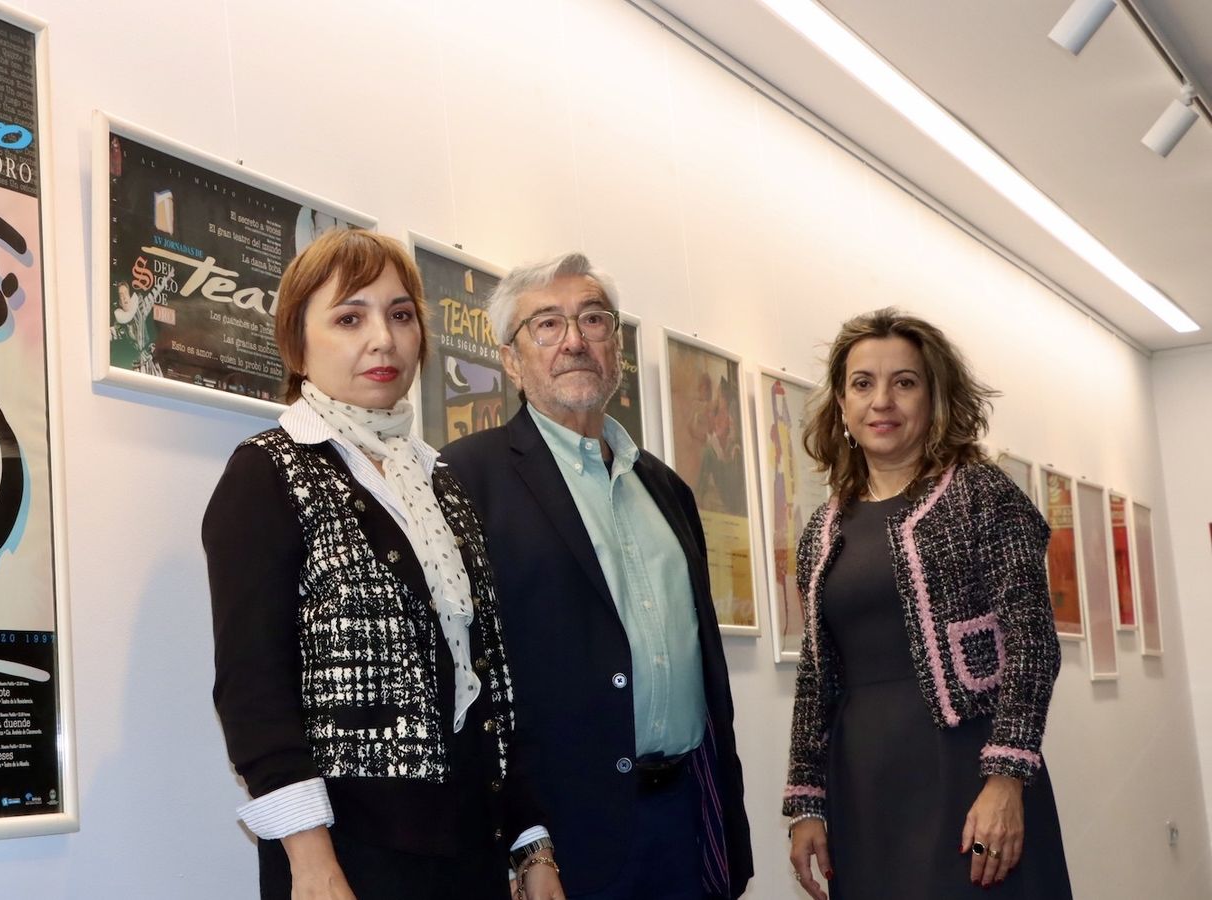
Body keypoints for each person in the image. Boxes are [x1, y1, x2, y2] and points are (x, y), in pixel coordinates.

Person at [203, 229, 565, 900]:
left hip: (469, 849)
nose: (385, 339)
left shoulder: (439, 482)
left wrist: (530, 842)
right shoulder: (268, 473)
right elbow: (253, 693)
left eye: (401, 315)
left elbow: (490, 681)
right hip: (348, 857)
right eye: (350, 317)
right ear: (296, 342)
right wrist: (311, 863)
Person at [442, 252, 753, 900]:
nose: (575, 341)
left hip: (687, 817)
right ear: (509, 358)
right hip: (563, 834)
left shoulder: (664, 487)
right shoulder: (470, 478)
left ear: (617, 348)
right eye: (547, 325)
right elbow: (467, 677)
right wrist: (524, 846)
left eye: (592, 320)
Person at [782, 308, 1072, 900]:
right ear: (841, 403)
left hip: (967, 772)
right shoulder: (823, 527)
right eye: (863, 384)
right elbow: (816, 674)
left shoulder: (982, 493)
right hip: (862, 782)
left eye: (904, 382)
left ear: (934, 397)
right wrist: (807, 800)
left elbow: (1031, 643)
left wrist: (1007, 777)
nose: (881, 400)